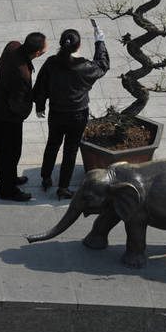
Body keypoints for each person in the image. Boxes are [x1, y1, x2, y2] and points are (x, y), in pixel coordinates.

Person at [33, 25, 109, 200]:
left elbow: (41, 84)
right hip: (78, 114)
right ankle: (63, 187)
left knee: (52, 144)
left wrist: (40, 105)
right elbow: (103, 65)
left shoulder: (52, 63)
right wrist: (100, 41)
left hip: (56, 113)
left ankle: (46, 177)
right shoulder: (85, 67)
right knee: (70, 150)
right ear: (79, 45)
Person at [0, 32, 47, 201]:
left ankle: (5, 177)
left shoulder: (12, 46)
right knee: (11, 151)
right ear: (37, 53)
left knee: (2, 147)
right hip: (9, 115)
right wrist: (25, 111)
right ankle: (8, 190)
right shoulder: (22, 74)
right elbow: (17, 104)